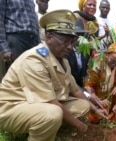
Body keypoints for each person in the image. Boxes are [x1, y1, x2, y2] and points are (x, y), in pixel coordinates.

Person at [0, 9, 107, 141]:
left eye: (72, 42)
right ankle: (39, 132)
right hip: (13, 108)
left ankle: (50, 129)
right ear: (49, 36)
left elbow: (76, 90)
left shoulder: (62, 59)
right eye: (65, 41)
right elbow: (52, 103)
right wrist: (81, 126)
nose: (70, 47)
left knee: (83, 105)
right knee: (53, 114)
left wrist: (95, 110)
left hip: (38, 103)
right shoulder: (34, 60)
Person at [84, 43, 116, 123]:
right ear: (106, 55)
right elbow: (88, 85)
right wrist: (96, 99)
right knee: (95, 117)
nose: (114, 64)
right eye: (112, 60)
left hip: (110, 94)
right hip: (97, 96)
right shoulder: (97, 63)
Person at [0, 0, 40, 74]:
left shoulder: (30, 1)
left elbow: (35, 23)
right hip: (16, 40)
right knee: (16, 74)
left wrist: (38, 44)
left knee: (33, 73)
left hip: (32, 41)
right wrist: (4, 48)